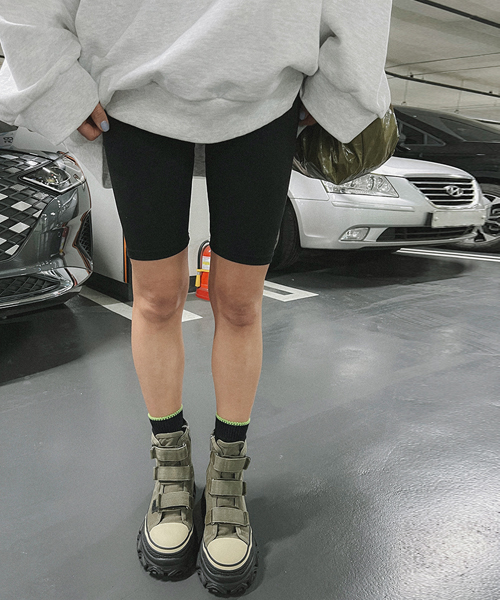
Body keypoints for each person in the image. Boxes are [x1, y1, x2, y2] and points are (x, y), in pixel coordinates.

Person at [0, 0, 393, 594]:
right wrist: (55, 81)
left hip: (268, 85)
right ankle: (172, 468)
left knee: (239, 304)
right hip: (132, 83)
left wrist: (343, 80)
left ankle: (227, 473)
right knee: (156, 300)